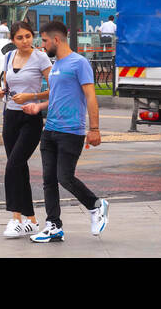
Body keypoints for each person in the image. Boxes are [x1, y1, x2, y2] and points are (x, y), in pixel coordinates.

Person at [25, 20, 108, 242]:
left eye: (44, 40)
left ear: (56, 39)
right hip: (50, 129)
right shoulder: (57, 65)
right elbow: (56, 96)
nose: (42, 45)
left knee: (65, 177)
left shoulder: (79, 63)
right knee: (48, 180)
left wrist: (95, 128)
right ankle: (53, 226)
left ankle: (96, 205)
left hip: (71, 131)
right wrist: (39, 107)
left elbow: (91, 96)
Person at [0, 20, 51, 237]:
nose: (25, 41)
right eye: (20, 37)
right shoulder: (9, 57)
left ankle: (14, 218)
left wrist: (33, 97)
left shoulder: (41, 57)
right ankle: (31, 221)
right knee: (19, 168)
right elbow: (6, 84)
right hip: (10, 115)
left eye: (28, 36)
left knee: (13, 165)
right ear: (13, 40)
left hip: (31, 117)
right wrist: (1, 90)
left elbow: (56, 88)